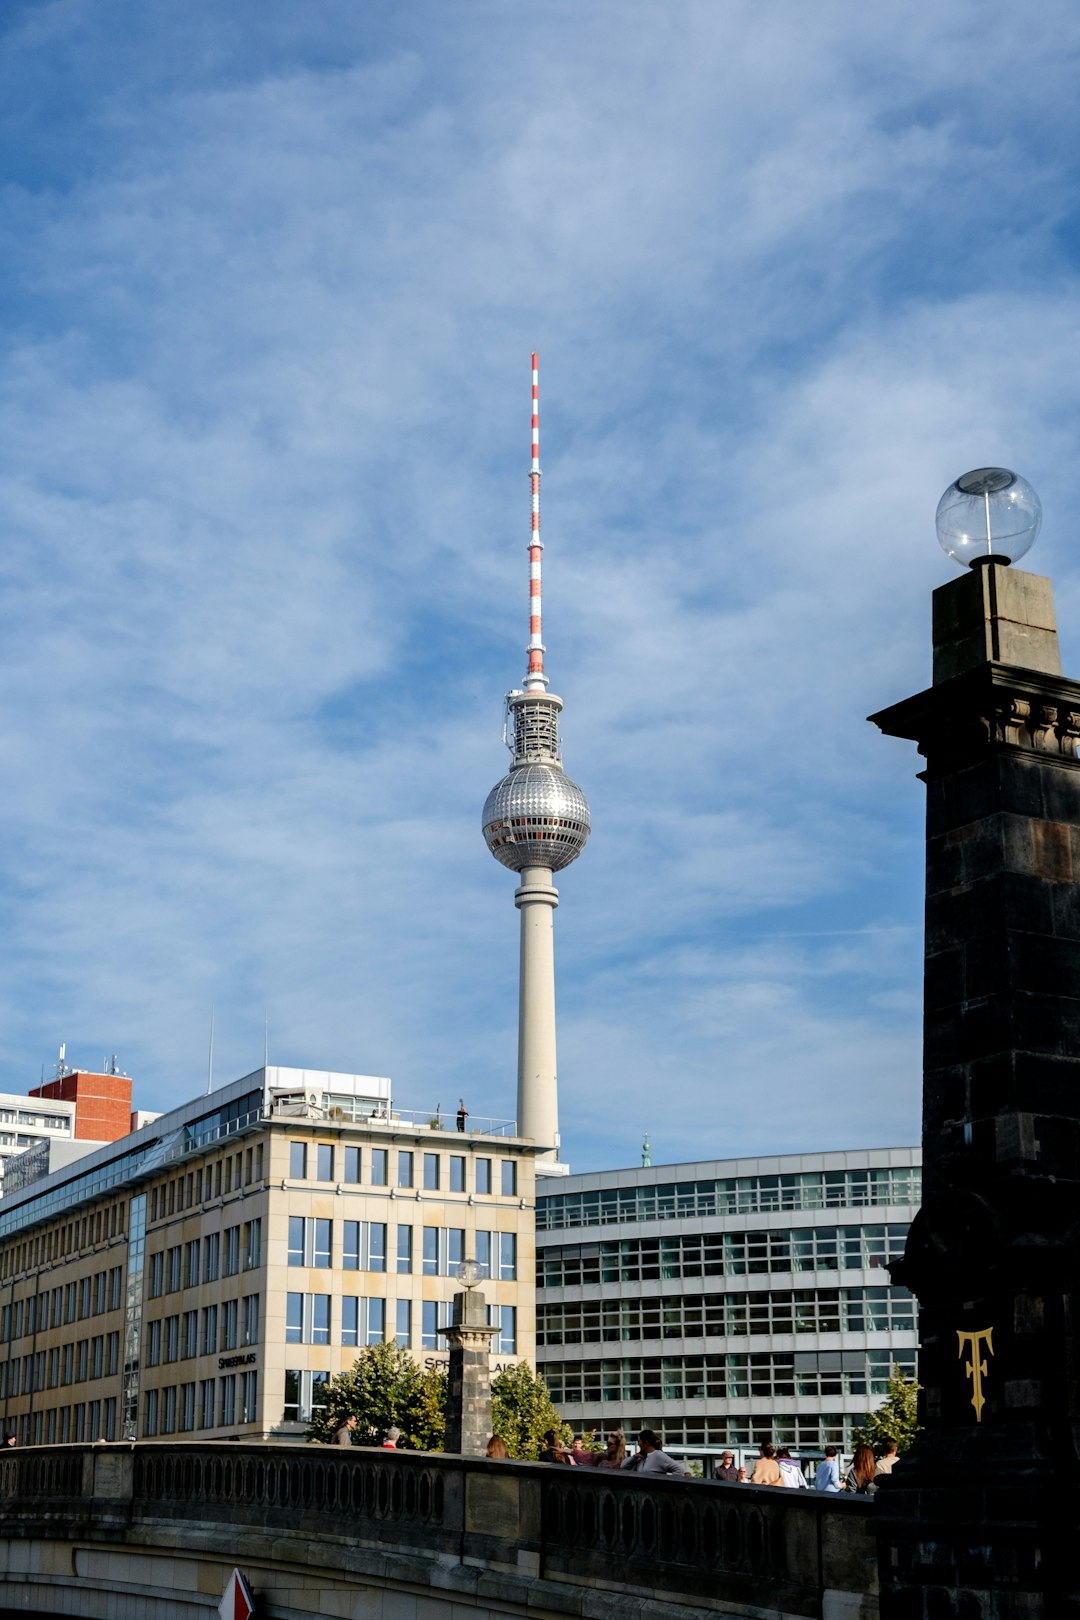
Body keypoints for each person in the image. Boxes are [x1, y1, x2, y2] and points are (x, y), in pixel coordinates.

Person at [620, 1429, 691, 1477]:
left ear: (646, 1442)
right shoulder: (641, 1457)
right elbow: (623, 1467)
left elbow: (679, 1469)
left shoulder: (658, 1455)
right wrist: (633, 1457)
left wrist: (668, 1485)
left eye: (639, 1441)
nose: (638, 1444)